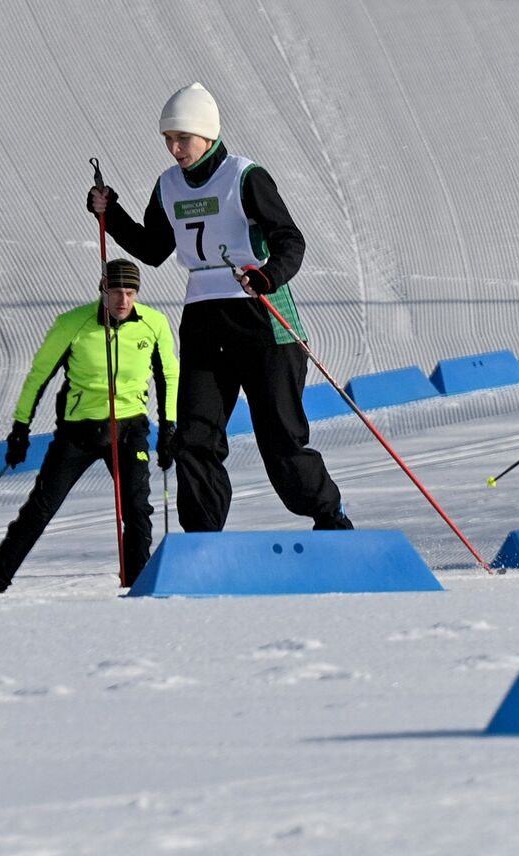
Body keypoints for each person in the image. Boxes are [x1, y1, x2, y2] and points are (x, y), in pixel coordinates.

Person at [87, 82, 350, 533]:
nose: (174, 149)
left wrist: (266, 275)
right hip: (205, 318)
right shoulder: (168, 185)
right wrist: (110, 214)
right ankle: (203, 539)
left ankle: (330, 519)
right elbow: (153, 248)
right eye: (168, 139)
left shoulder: (244, 176)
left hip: (262, 317)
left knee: (280, 438)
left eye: (182, 139)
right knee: (195, 437)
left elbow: (290, 239)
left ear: (207, 135)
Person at [0, 260, 178, 593]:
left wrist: (169, 426)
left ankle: (135, 588)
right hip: (79, 432)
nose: (123, 301)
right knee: (40, 509)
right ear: (103, 287)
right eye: (116, 291)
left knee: (137, 509)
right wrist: (21, 429)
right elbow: (38, 377)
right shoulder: (73, 323)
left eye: (130, 293)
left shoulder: (153, 324)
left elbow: (169, 375)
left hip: (130, 428)